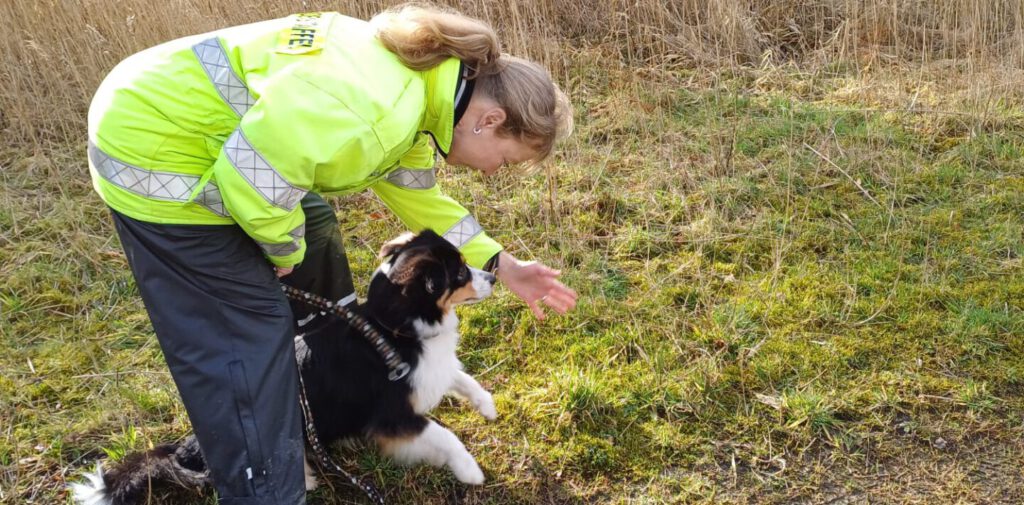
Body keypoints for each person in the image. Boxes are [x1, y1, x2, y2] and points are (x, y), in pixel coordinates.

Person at [86, 4, 577, 504]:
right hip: (152, 151)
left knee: (315, 225)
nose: (494, 172)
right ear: (490, 120)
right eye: (506, 159)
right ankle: (270, 485)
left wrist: (502, 265)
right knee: (249, 335)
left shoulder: (421, 91)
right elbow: (253, 178)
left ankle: (341, 378)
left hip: (186, 124)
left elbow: (420, 200)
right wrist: (281, 245)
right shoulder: (380, 110)